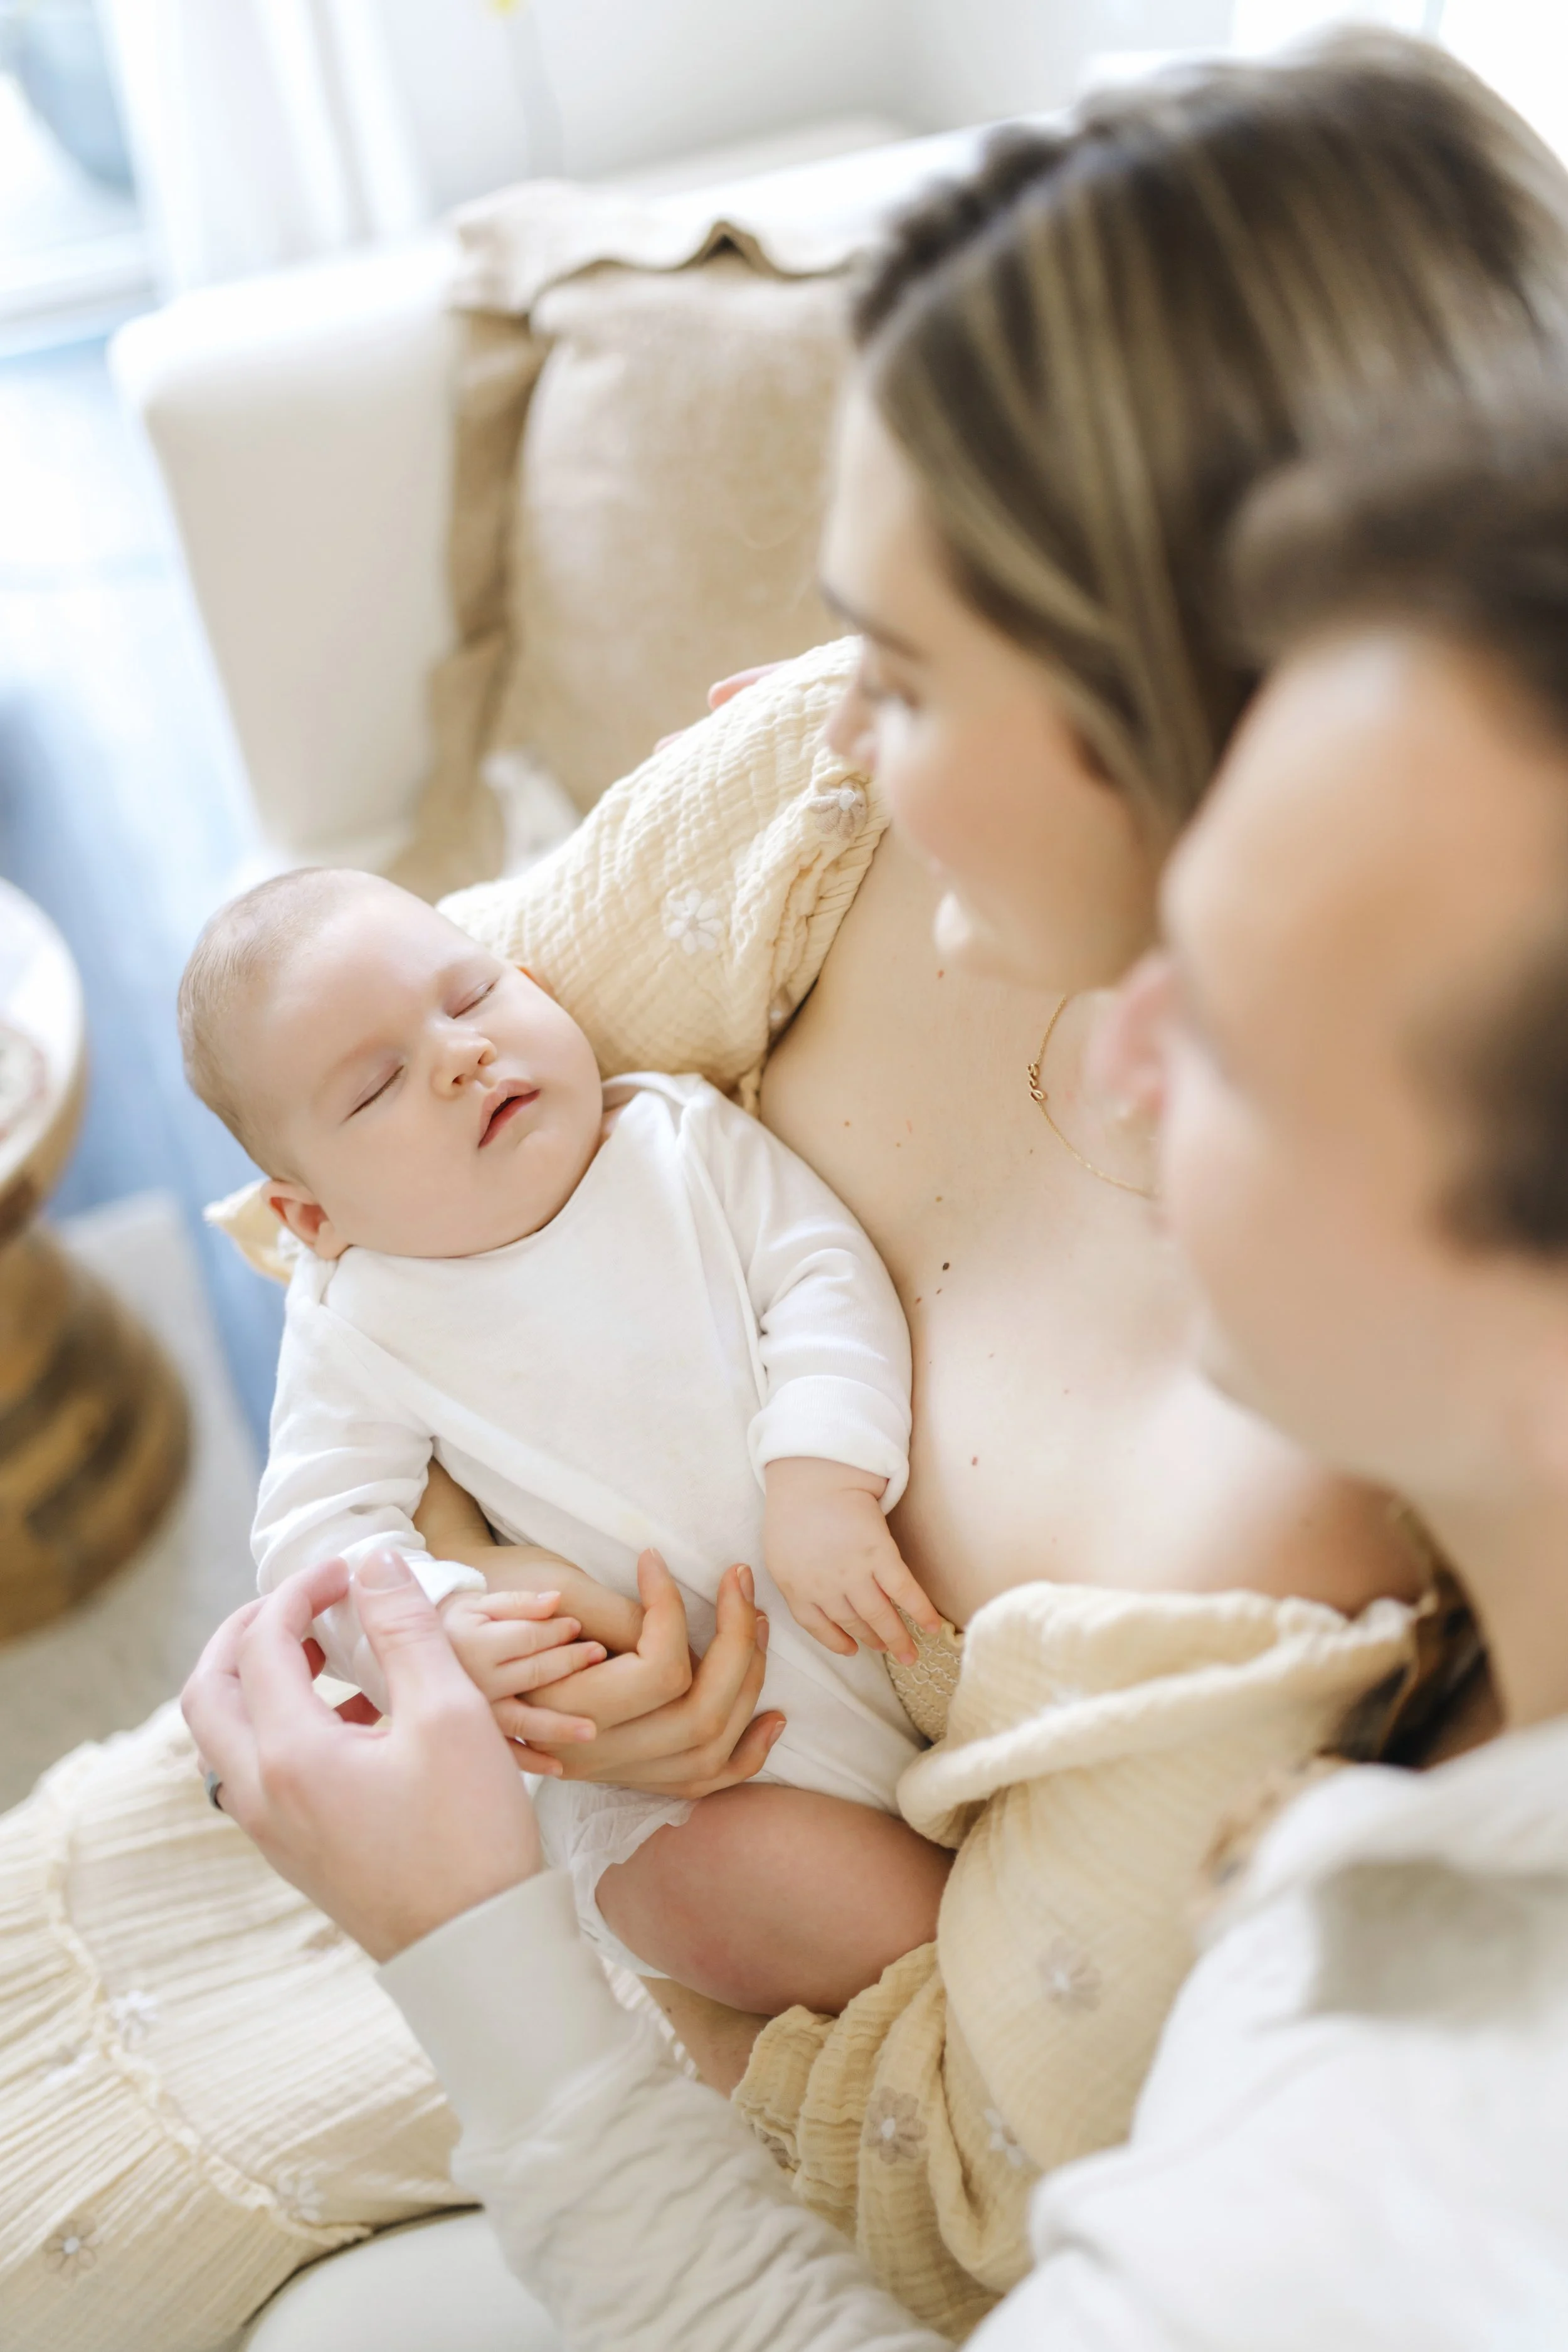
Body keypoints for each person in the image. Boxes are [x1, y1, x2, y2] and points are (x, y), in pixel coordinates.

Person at [1, 33, 1564, 2350]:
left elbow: (952, 2166)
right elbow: (349, 1181)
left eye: (915, 668)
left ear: (1167, 685)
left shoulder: (1326, 1708)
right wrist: (520, 1636)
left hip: (642, 1993)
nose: (804, 717)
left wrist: (528, 1907)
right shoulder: (828, 826)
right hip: (476, 1808)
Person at [181, 864, 938, 2010]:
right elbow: (317, 1536)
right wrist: (435, 1628)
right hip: (677, 1786)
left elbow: (822, 1272)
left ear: (535, 984)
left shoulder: (677, 1136)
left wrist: (823, 1475)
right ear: (312, 1217)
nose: (457, 1054)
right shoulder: (358, 1317)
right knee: (796, 1905)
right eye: (379, 1084)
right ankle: (919, 1968)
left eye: (474, 994)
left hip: (852, 1616)